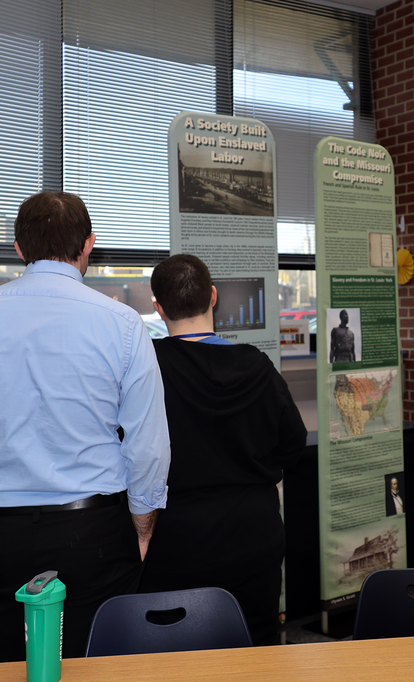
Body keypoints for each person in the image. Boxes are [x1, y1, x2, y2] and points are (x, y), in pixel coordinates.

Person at [0, 191, 170, 679]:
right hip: (95, 537)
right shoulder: (122, 323)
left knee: (5, 669)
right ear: (89, 246)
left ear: (19, 248)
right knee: (101, 670)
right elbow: (147, 444)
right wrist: (142, 523)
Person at [141, 254, 307, 646]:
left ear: (158, 307)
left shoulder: (149, 369)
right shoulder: (258, 366)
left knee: (173, 654)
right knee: (257, 651)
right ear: (213, 297)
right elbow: (293, 445)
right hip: (253, 538)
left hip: (175, 542)